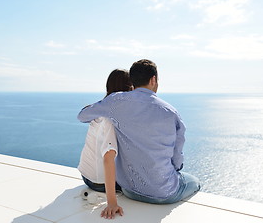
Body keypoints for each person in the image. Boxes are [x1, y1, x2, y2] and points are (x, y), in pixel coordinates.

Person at [78, 59, 200, 206]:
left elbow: (82, 116)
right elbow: (177, 160)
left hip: (130, 190)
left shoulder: (116, 102)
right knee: (195, 182)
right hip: (164, 193)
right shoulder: (171, 112)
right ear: (153, 79)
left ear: (132, 80)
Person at [78, 69, 133, 219]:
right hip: (98, 182)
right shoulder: (110, 119)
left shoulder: (99, 111)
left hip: (87, 176)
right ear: (129, 89)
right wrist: (112, 202)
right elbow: (108, 158)